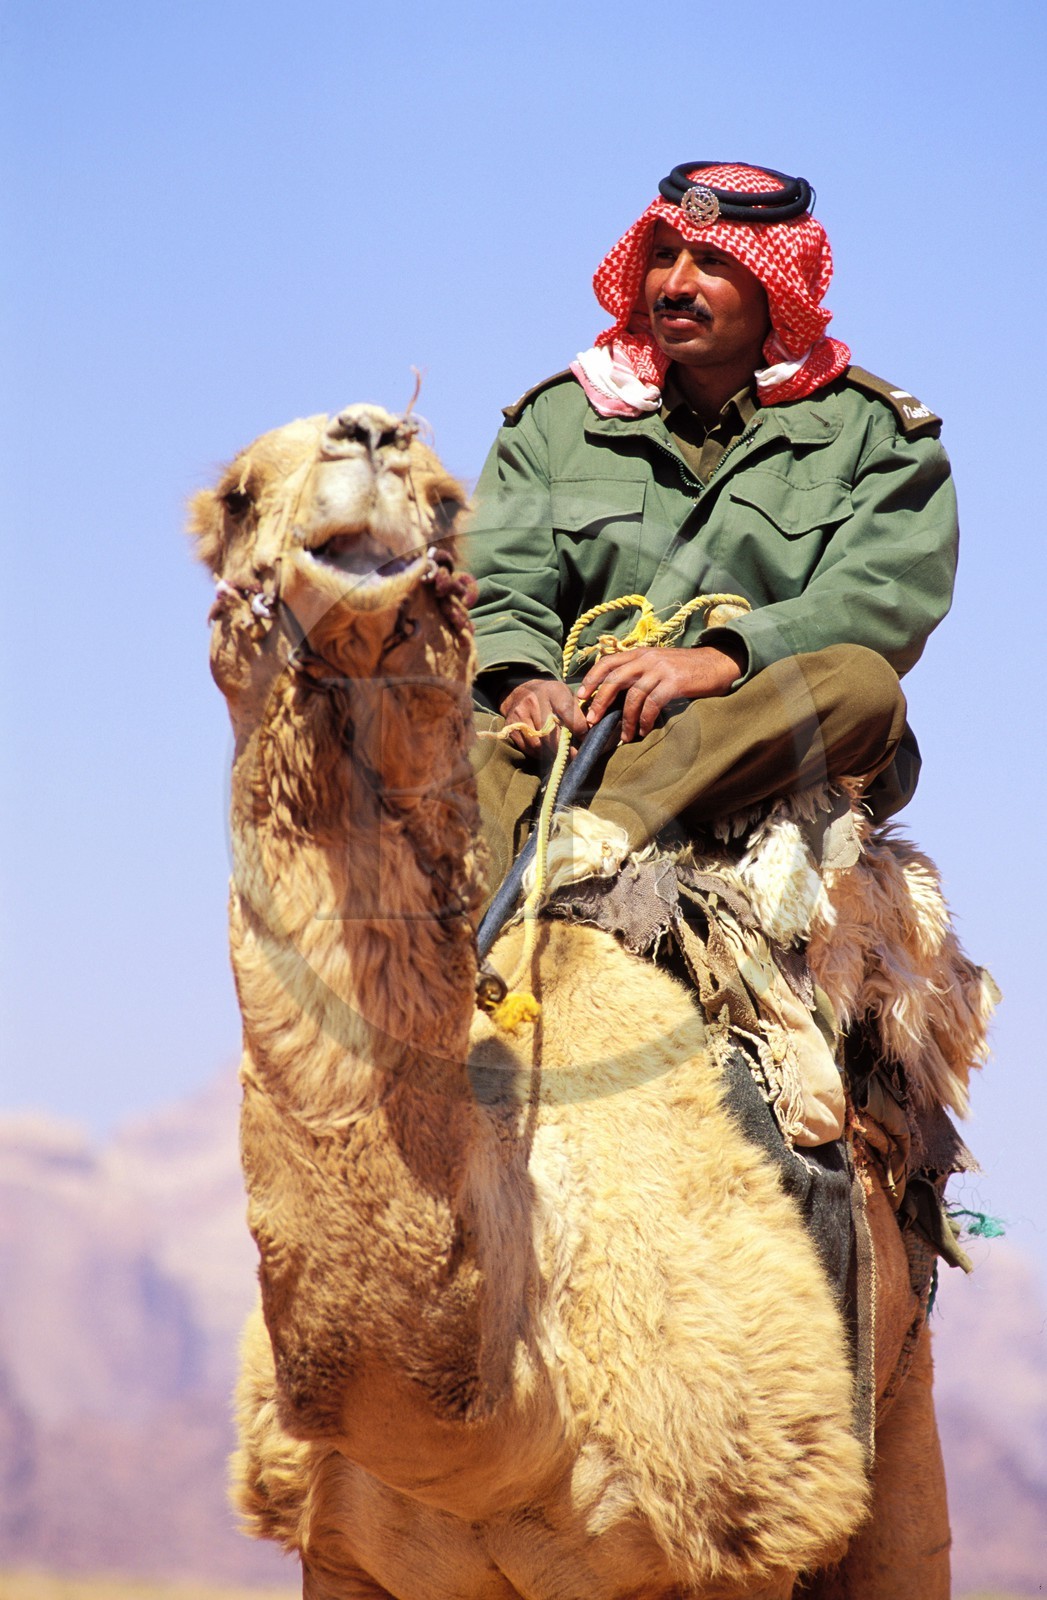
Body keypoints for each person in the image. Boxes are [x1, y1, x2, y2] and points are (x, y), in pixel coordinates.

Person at [466, 162, 958, 895]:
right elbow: (497, 585)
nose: (674, 284)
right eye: (662, 256)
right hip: (569, 730)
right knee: (398, 711)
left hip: (750, 732)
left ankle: (598, 819)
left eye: (713, 263)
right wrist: (524, 683)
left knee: (862, 687)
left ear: (775, 289)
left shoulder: (877, 434)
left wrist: (722, 659)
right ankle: (569, 822)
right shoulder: (554, 422)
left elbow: (883, 596)